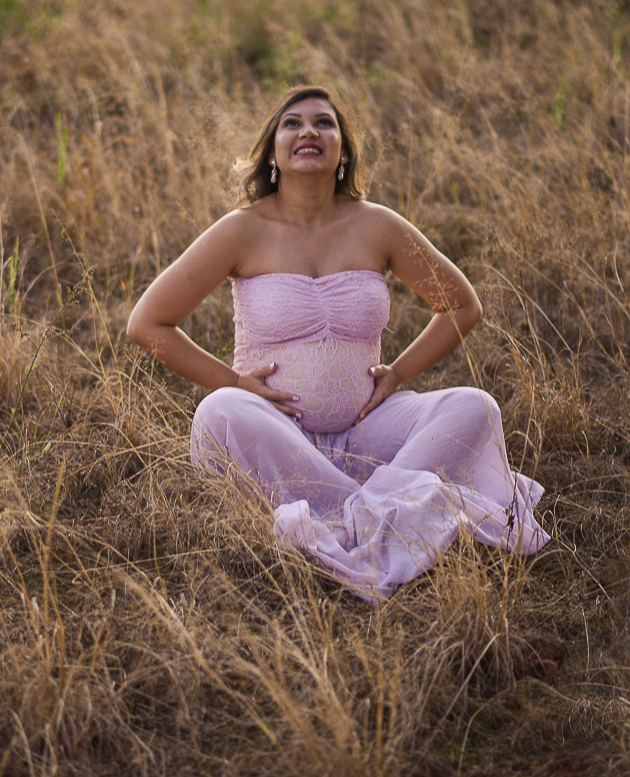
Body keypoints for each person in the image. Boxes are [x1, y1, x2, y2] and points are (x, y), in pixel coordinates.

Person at [127, 85, 548, 601]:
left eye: (324, 123)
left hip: (369, 437)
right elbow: (148, 323)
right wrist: (233, 381)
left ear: (343, 151)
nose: (309, 131)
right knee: (218, 412)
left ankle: (352, 518)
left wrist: (398, 374)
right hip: (280, 441)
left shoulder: (376, 225)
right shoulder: (242, 230)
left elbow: (462, 305)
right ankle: (391, 513)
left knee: (474, 405)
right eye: (292, 124)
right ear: (274, 153)